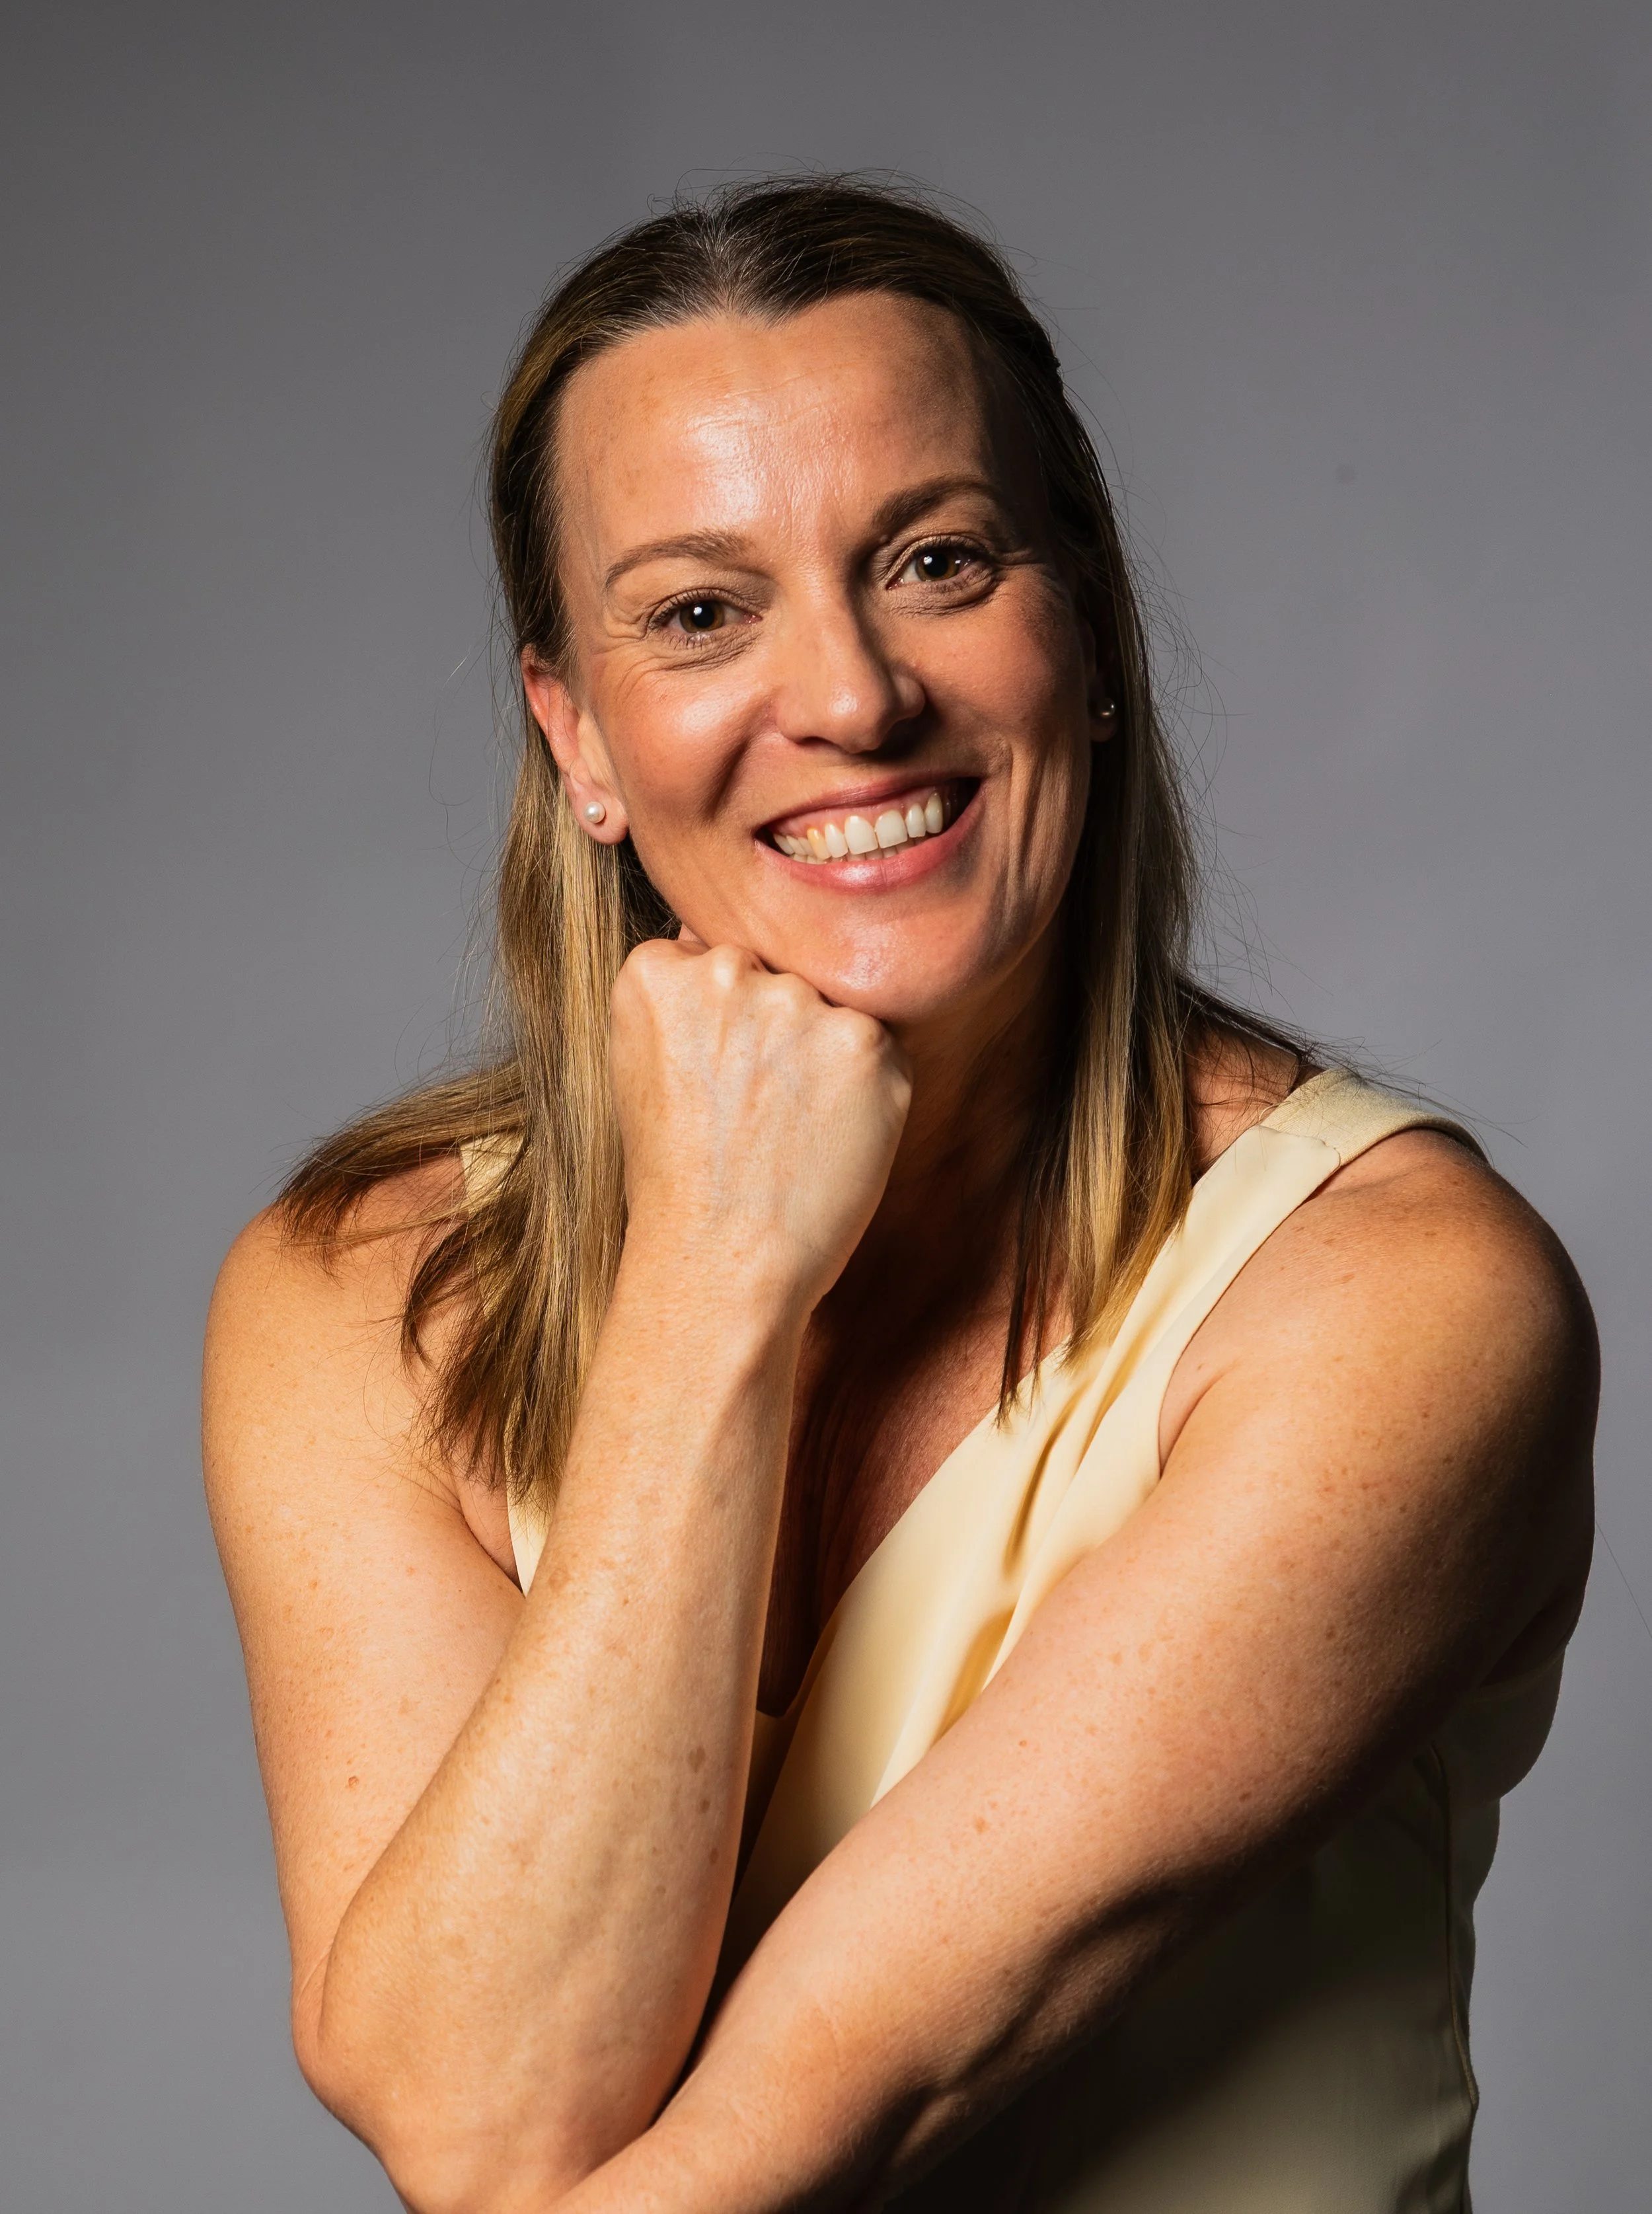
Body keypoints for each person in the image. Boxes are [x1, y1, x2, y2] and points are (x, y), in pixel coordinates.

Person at [203, 178, 1597, 2214]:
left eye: (936, 561)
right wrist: (711, 1274)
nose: (851, 698)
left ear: (1089, 627)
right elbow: (475, 2105)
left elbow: (828, 2112)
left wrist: (717, 1259)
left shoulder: (1390, 1305)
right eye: (698, 610)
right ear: (579, 735)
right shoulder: (366, 1294)